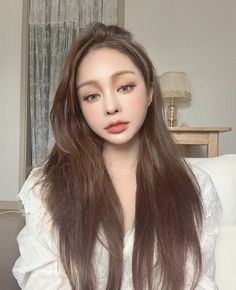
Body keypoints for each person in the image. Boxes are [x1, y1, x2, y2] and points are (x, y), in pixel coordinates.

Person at [13, 22, 222, 290]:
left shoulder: (195, 186)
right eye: (91, 96)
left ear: (149, 91)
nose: (111, 107)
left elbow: (197, 282)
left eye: (124, 87)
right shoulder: (46, 185)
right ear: (79, 109)